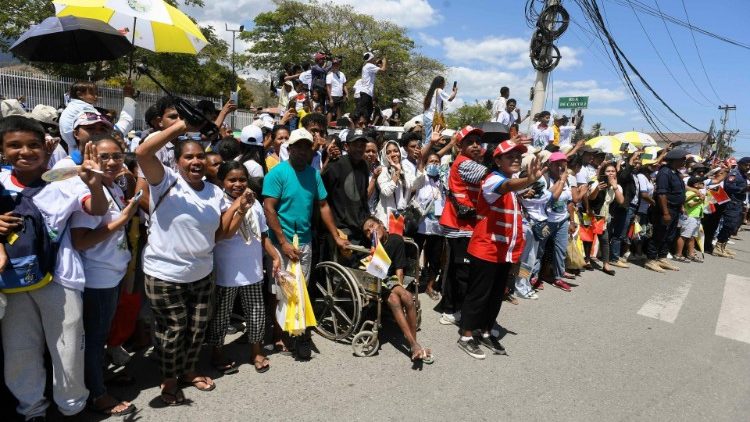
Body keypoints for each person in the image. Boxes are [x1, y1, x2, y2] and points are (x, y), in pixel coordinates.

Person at [0, 116, 108, 420]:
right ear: (3, 149)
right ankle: (31, 409)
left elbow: (97, 210)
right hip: (13, 281)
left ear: (46, 148)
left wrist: (94, 184)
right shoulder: (0, 181)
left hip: (60, 279)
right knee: (19, 350)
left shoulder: (68, 182)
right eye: (14, 146)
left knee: (68, 349)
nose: (25, 152)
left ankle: (72, 406)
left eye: (33, 145)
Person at [135, 116, 247, 405]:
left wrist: (239, 208)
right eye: (188, 157)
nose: (195, 162)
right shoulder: (165, 182)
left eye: (200, 157)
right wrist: (181, 127)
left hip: (201, 273)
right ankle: (169, 381)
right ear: (177, 162)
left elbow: (220, 234)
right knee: (174, 329)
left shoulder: (214, 192)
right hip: (164, 274)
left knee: (197, 328)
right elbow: (142, 153)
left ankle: (188, 370)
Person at [262, 128, 348, 360]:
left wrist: (336, 235)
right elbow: (269, 208)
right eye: (297, 146)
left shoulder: (314, 174)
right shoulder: (277, 173)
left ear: (312, 151)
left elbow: (323, 206)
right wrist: (282, 242)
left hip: (305, 241)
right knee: (279, 290)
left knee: (299, 288)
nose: (301, 151)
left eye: (306, 147)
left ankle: (295, 330)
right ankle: (278, 334)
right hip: (281, 242)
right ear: (288, 149)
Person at [70, 135, 138, 417]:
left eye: (117, 156)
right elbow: (81, 241)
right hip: (97, 277)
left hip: (112, 273)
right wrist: (122, 220)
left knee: (103, 333)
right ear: (91, 158)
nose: (111, 162)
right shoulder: (87, 191)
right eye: (104, 157)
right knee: (95, 337)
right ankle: (96, 393)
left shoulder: (110, 186)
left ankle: (99, 378)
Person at [458, 140, 541, 359]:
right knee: (479, 294)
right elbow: (504, 187)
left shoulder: (514, 184)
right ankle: (466, 335)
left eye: (518, 156)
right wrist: (527, 180)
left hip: (505, 251)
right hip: (487, 249)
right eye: (509, 156)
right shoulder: (492, 180)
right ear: (497, 160)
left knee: (496, 295)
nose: (515, 159)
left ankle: (485, 331)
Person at [207, 161, 282, 374]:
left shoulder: (254, 202)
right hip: (226, 272)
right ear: (223, 181)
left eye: (242, 179)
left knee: (256, 313)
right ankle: (217, 352)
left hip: (253, 270)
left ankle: (256, 351)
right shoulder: (218, 201)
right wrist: (239, 207)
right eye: (232, 180)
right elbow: (223, 233)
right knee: (221, 315)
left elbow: (262, 234)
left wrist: (274, 256)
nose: (237, 184)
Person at [362, 217, 433, 363]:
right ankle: (414, 345)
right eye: (367, 231)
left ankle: (414, 343)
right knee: (394, 300)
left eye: (372, 226)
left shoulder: (396, 240)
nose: (371, 231)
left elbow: (399, 269)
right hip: (373, 279)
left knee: (406, 296)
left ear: (381, 224)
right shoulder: (369, 246)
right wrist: (373, 251)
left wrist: (399, 287)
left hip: (390, 278)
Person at [438, 126, 487, 326]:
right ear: (460, 146)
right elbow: (492, 177)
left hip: (464, 223)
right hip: (459, 224)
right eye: (470, 142)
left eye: (478, 142)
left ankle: (450, 307)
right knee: (462, 270)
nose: (475, 145)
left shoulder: (471, 162)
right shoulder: (465, 163)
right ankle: (454, 309)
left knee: (455, 269)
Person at [321, 128, 372, 245]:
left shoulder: (364, 165)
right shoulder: (335, 165)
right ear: (346, 146)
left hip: (359, 226)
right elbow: (322, 198)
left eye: (362, 145)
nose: (359, 149)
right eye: (356, 145)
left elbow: (363, 196)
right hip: (340, 229)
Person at [645, 149, 687, 272]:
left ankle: (662, 257)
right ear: (675, 160)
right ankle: (651, 259)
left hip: (675, 209)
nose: (684, 162)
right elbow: (662, 194)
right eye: (682, 159)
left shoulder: (675, 173)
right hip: (666, 209)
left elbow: (679, 192)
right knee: (659, 234)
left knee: (670, 236)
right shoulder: (664, 173)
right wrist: (666, 213)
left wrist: (681, 206)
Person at [414, 152, 446, 301]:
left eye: (437, 162)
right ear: (426, 164)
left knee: (435, 258)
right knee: (414, 254)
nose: (434, 164)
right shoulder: (422, 178)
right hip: (420, 225)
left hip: (438, 226)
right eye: (431, 161)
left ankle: (430, 286)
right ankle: (412, 284)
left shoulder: (443, 180)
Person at [586, 162, 625, 275]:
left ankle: (606, 264)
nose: (611, 173)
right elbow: (591, 198)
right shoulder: (597, 183)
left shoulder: (617, 186)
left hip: (604, 216)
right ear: (603, 173)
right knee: (588, 238)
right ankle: (587, 260)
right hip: (591, 213)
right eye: (608, 171)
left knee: (604, 239)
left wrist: (615, 186)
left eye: (613, 171)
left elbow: (621, 201)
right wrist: (597, 189)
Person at [714, 156, 750, 257]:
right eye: (746, 165)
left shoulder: (743, 175)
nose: (748, 167)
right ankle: (718, 246)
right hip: (731, 203)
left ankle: (723, 246)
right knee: (729, 225)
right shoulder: (734, 174)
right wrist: (744, 189)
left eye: (749, 166)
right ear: (740, 164)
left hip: (738, 203)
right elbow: (729, 186)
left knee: (733, 226)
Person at [674, 176, 705, 262]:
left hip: (696, 216)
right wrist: (699, 200)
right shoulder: (690, 193)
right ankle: (678, 254)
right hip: (689, 216)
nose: (703, 184)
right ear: (695, 185)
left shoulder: (698, 192)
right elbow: (689, 204)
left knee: (692, 236)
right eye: (701, 182)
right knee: (684, 235)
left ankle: (691, 254)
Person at [422, 76, 457, 144]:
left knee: (428, 137)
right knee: (430, 138)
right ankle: (426, 153)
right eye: (444, 83)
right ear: (441, 83)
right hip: (432, 117)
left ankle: (426, 151)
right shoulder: (439, 90)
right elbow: (450, 98)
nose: (444, 85)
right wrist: (455, 91)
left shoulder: (431, 92)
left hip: (426, 116)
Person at [354, 52, 386, 123]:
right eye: (374, 58)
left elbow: (379, 70)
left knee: (369, 110)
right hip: (366, 91)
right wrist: (384, 62)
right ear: (372, 58)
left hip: (367, 92)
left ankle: (365, 125)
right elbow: (383, 70)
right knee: (362, 111)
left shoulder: (367, 66)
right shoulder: (369, 66)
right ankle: (356, 122)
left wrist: (377, 64)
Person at [326, 58, 347, 124]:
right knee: (330, 111)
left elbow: (344, 85)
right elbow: (328, 87)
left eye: (337, 65)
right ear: (332, 66)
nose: (336, 66)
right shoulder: (329, 75)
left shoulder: (342, 74)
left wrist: (346, 94)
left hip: (340, 95)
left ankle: (338, 125)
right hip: (332, 95)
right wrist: (330, 98)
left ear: (339, 65)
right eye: (334, 65)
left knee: (339, 111)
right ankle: (327, 126)